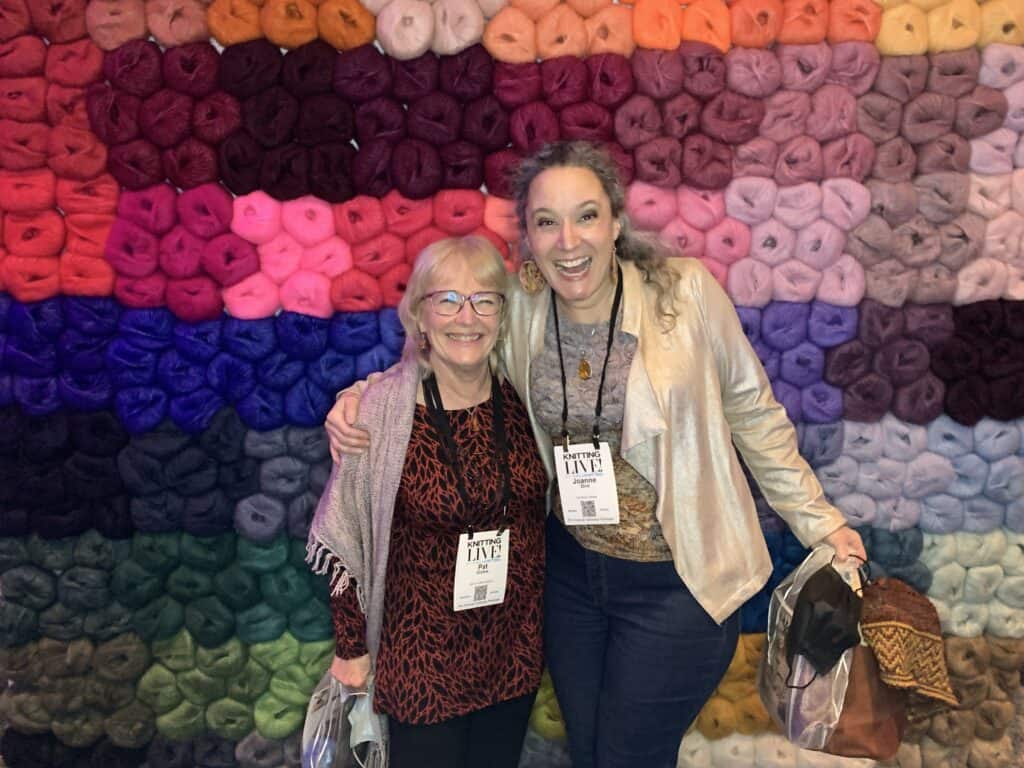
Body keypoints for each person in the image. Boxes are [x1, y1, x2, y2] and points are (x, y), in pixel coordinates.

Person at [325, 142, 867, 768]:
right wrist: (361, 397)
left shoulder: (684, 294)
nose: (567, 240)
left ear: (614, 221)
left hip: (677, 580)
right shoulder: (523, 307)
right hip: (573, 580)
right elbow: (448, 354)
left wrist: (820, 522)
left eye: (585, 216)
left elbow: (754, 414)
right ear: (527, 235)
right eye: (546, 222)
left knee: (626, 757)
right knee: (591, 752)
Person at [307, 236, 548, 768]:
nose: (468, 317)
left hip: (512, 649)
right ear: (419, 314)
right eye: (447, 300)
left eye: (485, 299)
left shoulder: (522, 396)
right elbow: (346, 536)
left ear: (502, 315)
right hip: (423, 657)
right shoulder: (379, 414)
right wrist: (351, 649)